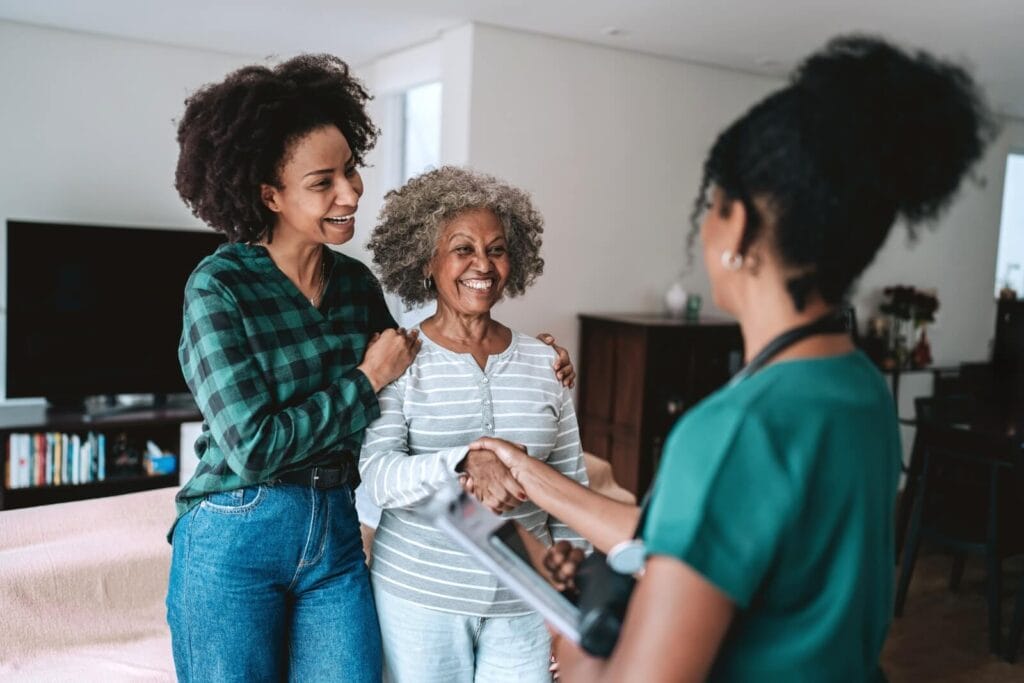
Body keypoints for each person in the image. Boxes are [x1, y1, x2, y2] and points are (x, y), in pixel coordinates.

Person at [472, 35, 994, 681]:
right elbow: (692, 531)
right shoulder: (858, 385)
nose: (705, 229)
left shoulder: (735, 428)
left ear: (739, 226)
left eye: (711, 208)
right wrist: (526, 471)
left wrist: (574, 641)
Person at [360, 166, 590, 683]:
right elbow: (377, 475)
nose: (482, 265)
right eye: (462, 249)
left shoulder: (545, 363)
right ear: (427, 262)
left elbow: (573, 492)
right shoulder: (400, 358)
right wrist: (463, 459)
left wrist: (574, 608)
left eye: (498, 249)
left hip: (525, 605)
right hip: (420, 600)